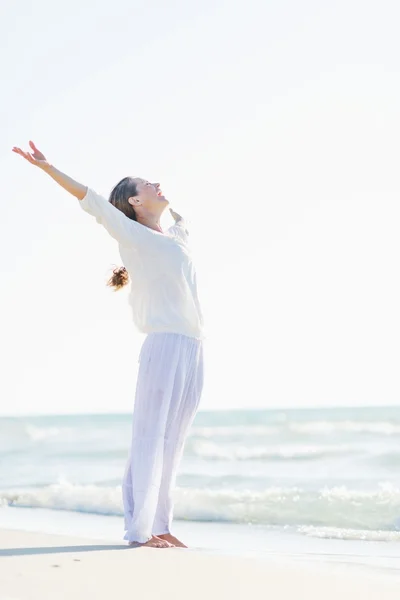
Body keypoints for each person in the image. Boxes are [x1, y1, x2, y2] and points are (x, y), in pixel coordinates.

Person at [12, 141, 205, 549]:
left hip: (193, 346)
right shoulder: (131, 234)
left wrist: (171, 206)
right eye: (146, 184)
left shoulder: (176, 235)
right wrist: (49, 168)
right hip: (164, 343)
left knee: (175, 439)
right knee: (150, 436)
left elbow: (182, 220)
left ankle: (162, 525)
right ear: (134, 200)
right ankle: (139, 530)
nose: (156, 183)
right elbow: (91, 199)